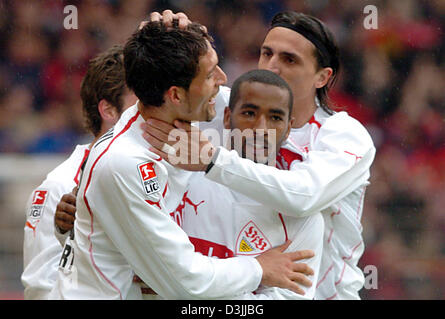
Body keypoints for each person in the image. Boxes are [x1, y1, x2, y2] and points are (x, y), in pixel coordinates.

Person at [49, 21, 312, 300]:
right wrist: (258, 268)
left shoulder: (171, 129)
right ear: (175, 95)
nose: (223, 79)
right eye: (211, 74)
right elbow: (185, 282)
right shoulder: (125, 163)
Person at [143, 10, 376, 300]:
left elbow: (304, 196)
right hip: (237, 286)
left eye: (289, 59)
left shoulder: (344, 135)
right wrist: (167, 39)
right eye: (267, 53)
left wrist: (212, 161)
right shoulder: (232, 104)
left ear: (322, 77)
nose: (272, 66)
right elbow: (150, 108)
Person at [179, 69, 324, 300]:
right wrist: (257, 270)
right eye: (249, 113)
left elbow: (178, 282)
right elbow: (162, 273)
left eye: (275, 118)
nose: (261, 128)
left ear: (288, 128)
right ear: (227, 117)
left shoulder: (303, 218)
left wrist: (199, 289)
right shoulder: (182, 182)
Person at [21, 45, 138, 300]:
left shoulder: (155, 175)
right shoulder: (58, 187)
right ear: (108, 111)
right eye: (140, 101)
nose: (151, 111)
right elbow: (40, 289)